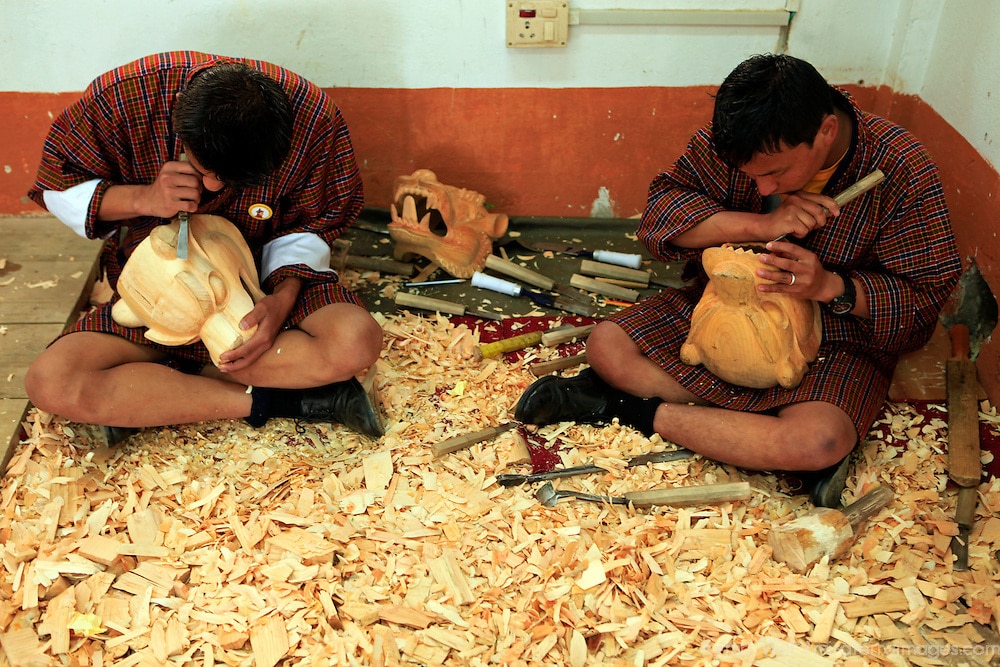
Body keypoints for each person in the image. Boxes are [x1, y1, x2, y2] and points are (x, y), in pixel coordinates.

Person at [515, 54, 961, 506]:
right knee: (607, 346)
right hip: (724, 307)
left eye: (776, 173)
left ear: (825, 131)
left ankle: (627, 407)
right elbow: (661, 218)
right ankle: (747, 429)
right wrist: (759, 225)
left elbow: (924, 299)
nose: (764, 189)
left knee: (818, 441)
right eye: (752, 177)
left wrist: (830, 286)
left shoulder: (901, 166)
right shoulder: (737, 139)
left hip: (834, 337)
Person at [25, 51, 385, 440]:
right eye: (203, 170)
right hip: (158, 299)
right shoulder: (125, 98)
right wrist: (144, 199)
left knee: (355, 341)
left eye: (230, 180)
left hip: (258, 288)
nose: (212, 188)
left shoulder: (313, 121)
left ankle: (162, 386)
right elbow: (57, 189)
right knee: (51, 382)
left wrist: (282, 299)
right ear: (178, 117)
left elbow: (312, 223)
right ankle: (284, 402)